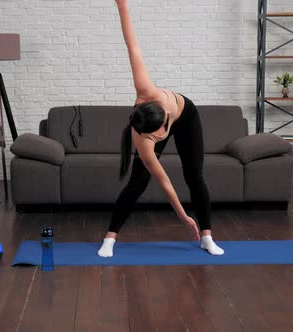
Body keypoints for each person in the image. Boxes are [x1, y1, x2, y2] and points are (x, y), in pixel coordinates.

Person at [97, 0, 224, 257]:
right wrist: (182, 216)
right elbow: (164, 181)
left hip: (187, 114)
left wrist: (123, 7)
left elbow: (132, 47)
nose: (165, 131)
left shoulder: (146, 88)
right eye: (160, 134)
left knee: (194, 175)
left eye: (165, 123)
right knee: (138, 181)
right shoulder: (143, 141)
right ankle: (110, 238)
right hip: (155, 127)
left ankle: (207, 237)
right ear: (149, 134)